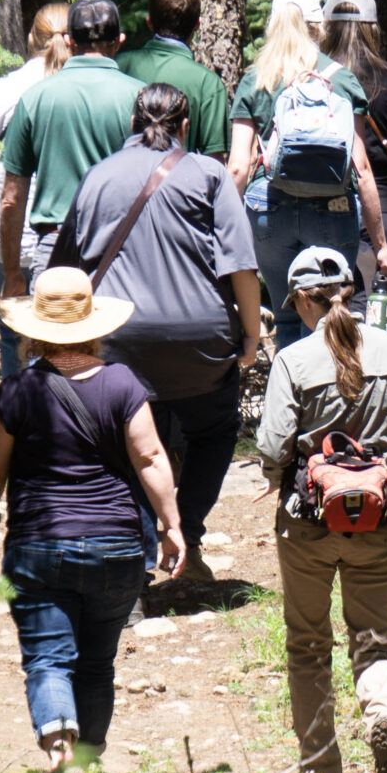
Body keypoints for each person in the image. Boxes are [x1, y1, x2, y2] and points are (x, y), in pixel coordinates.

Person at [0, 267, 184, 773]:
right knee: (95, 664)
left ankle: (57, 742)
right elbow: (151, 458)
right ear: (96, 328)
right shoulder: (122, 384)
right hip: (116, 547)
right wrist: (171, 525)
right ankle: (85, 762)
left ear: (32, 332)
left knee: (48, 658)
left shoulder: (16, 392)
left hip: (39, 547)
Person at [50, 84, 262, 581]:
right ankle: (186, 533)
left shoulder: (98, 176)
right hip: (200, 344)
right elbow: (242, 268)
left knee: (127, 446)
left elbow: (65, 269)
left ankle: (137, 560)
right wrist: (250, 338)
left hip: (117, 342)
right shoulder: (208, 174)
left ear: (132, 122)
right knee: (213, 431)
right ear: (185, 127)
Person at [256, 245, 387, 773]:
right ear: (348, 291)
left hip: (308, 523)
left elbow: (274, 447)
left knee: (308, 643)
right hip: (376, 520)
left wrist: (280, 475)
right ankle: (384, 714)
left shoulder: (292, 361)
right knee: (374, 637)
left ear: (303, 301)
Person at [227, 0, 387, 343]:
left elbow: (238, 168)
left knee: (288, 316)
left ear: (273, 25)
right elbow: (361, 168)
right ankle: (333, 395)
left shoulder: (256, 79)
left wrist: (223, 235)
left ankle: (292, 394)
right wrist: (380, 245)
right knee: (332, 317)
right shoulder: (341, 79)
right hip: (332, 209)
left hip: (269, 208)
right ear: (318, 29)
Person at [0, 0, 143, 299]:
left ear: (69, 40)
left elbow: (11, 198)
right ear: (119, 41)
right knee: (114, 345)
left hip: (55, 253)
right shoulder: (140, 97)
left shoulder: (35, 99)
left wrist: (12, 274)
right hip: (122, 252)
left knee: (55, 344)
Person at [0, 2, 73, 378]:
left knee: (15, 336)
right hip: (62, 237)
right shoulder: (80, 95)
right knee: (67, 335)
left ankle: (16, 420)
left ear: (32, 39)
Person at [321, 0, 387, 336]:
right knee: (383, 326)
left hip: (325, 217)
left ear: (327, 29)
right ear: (373, 30)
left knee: (333, 324)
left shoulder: (315, 80)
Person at [117, 0, 230, 159]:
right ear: (197, 25)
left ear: (149, 23)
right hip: (179, 185)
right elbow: (214, 165)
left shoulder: (120, 66)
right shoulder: (208, 84)